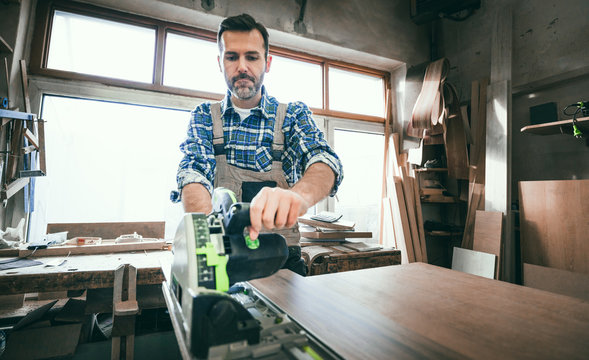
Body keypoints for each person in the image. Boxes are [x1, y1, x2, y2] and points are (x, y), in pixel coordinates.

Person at [171, 13, 343, 276]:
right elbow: (193, 172)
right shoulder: (205, 116)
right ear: (220, 62)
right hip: (222, 261)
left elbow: (324, 161)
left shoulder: (293, 115)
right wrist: (206, 238)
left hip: (282, 262)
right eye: (232, 57)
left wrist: (297, 196)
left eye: (252, 57)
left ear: (267, 62)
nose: (242, 66)